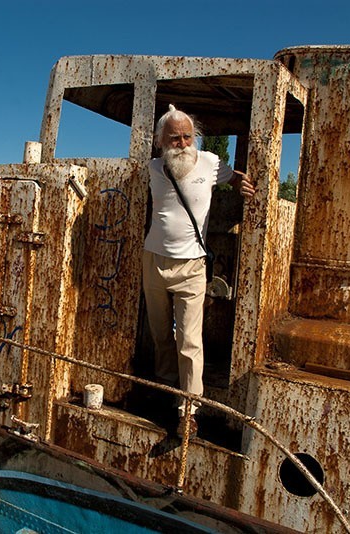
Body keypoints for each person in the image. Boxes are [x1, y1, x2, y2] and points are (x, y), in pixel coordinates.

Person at [143, 104, 255, 437]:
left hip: (192, 266)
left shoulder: (209, 163)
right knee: (160, 333)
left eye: (188, 137)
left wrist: (243, 186)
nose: (182, 143)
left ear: (197, 138)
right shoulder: (151, 168)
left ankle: (188, 411)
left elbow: (235, 179)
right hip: (153, 260)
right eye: (175, 138)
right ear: (161, 141)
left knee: (190, 341)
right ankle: (166, 389)